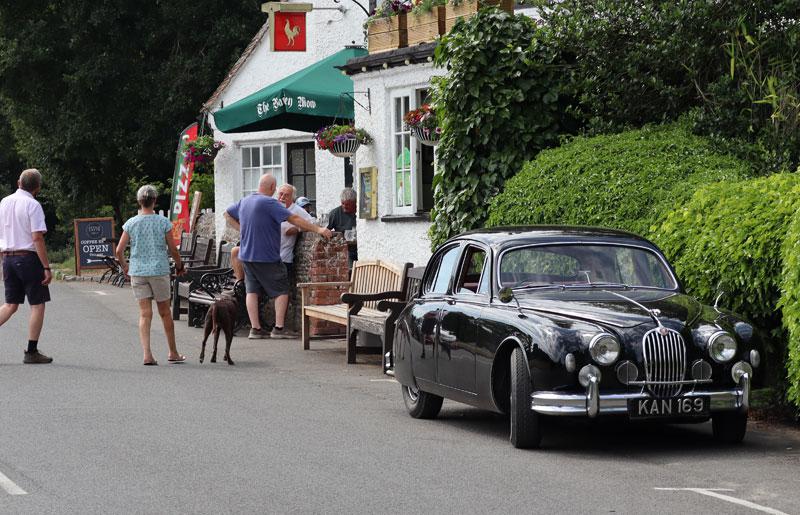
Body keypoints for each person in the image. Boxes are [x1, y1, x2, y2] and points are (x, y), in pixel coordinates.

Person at [224, 174, 332, 340]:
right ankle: (279, 329)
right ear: (272, 186)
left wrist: (242, 229)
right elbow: (294, 218)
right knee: (282, 290)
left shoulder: (245, 201)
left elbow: (227, 214)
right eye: (276, 188)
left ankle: (256, 329)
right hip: (267, 256)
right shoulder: (270, 203)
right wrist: (318, 230)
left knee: (251, 291)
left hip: (247, 255)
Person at [116, 185, 187, 366]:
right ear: (154, 201)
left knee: (145, 314)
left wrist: (125, 266)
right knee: (165, 313)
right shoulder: (163, 223)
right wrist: (179, 266)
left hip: (138, 272)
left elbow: (119, 250)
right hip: (159, 271)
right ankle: (173, 352)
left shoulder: (131, 223)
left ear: (139, 202)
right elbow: (172, 249)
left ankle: (147, 354)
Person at [0, 169, 54, 364]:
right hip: (28, 258)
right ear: (37, 187)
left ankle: (32, 351)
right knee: (37, 304)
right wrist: (46, 267)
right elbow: (37, 238)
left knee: (10, 305)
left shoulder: (4, 202)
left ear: (18, 182)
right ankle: (31, 351)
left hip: (8, 257)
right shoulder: (33, 205)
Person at [277, 184, 313, 333]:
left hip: (284, 258)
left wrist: (297, 228)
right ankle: (258, 326)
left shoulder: (297, 211)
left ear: (292, 197)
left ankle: (280, 326)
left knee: (282, 292)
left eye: (286, 195)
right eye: (280, 194)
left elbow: (313, 223)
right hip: (267, 256)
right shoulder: (273, 208)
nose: (282, 197)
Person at [327, 187, 357, 264]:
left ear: (354, 203)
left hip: (361, 247)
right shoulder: (334, 213)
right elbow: (324, 230)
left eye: (347, 204)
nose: (344, 206)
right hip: (345, 250)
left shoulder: (360, 212)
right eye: (342, 203)